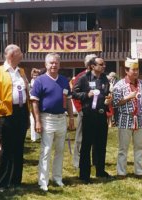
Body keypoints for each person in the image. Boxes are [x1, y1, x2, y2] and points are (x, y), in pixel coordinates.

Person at [0, 44, 29, 191]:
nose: (22, 55)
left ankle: (16, 181)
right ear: (11, 55)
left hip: (21, 112)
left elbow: (26, 88)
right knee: (7, 148)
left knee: (18, 148)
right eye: (20, 53)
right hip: (6, 113)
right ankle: (1, 183)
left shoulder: (21, 71)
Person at [30, 53, 75, 192]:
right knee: (46, 150)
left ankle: (57, 177)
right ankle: (43, 181)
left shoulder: (63, 80)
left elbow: (68, 100)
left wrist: (71, 118)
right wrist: (37, 121)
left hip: (61, 118)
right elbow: (34, 102)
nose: (53, 65)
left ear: (59, 64)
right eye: (51, 63)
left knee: (60, 150)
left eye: (56, 63)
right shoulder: (40, 81)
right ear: (46, 64)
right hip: (46, 118)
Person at [113, 58, 142, 179]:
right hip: (125, 119)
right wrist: (128, 97)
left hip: (139, 119)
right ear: (127, 71)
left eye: (137, 70)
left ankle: (139, 171)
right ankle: (121, 172)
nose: (136, 72)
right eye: (133, 70)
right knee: (123, 148)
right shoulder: (119, 85)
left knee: (139, 147)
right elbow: (115, 103)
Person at [73, 56, 113, 184]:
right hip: (88, 116)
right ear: (92, 66)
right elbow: (73, 93)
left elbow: (106, 93)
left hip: (101, 116)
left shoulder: (104, 78)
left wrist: (107, 100)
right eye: (101, 64)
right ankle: (84, 174)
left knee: (101, 144)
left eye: (104, 64)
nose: (103, 66)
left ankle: (100, 171)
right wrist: (86, 95)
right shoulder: (84, 78)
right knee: (86, 145)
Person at [72, 54, 97, 169]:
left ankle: (95, 161)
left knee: (95, 138)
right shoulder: (80, 76)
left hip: (96, 113)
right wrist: (80, 110)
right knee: (80, 138)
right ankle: (77, 161)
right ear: (90, 65)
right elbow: (75, 94)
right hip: (84, 112)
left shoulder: (99, 77)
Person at [29, 68, 41, 142]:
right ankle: (34, 137)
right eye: (34, 75)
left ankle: (39, 135)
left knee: (39, 118)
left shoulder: (39, 82)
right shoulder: (31, 83)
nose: (35, 76)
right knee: (33, 119)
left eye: (36, 75)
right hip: (32, 102)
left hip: (39, 102)